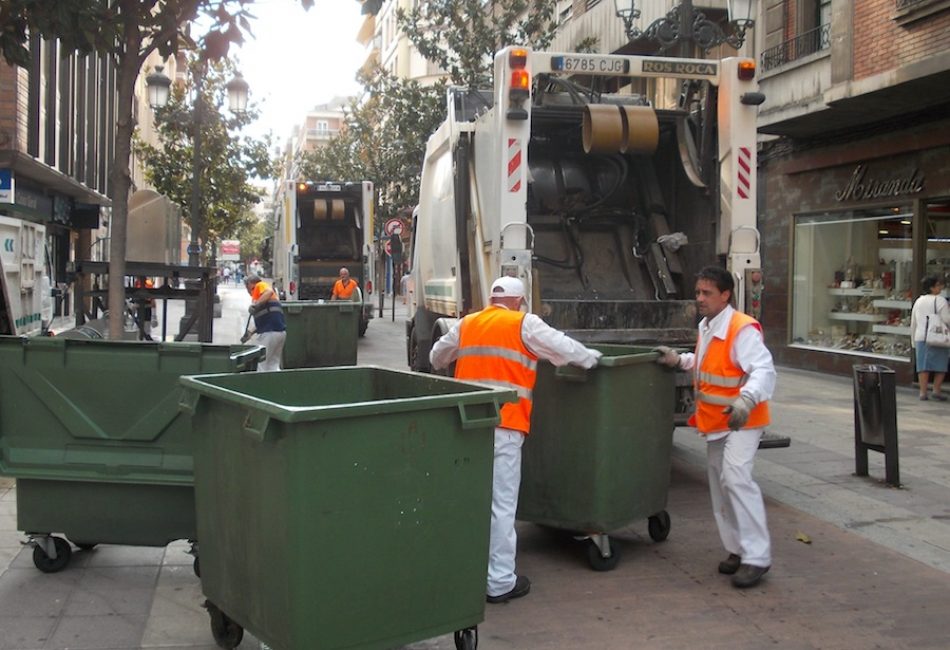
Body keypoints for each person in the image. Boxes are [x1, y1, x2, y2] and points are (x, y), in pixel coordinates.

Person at [430, 276, 602, 604]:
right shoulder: (525, 323)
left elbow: (437, 355)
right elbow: (564, 348)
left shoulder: (468, 322)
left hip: (465, 426)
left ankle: (459, 571)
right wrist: (592, 359)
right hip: (504, 426)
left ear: (493, 299)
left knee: (468, 499)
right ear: (520, 301)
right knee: (501, 505)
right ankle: (499, 582)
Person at [655, 265, 776, 589]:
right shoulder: (708, 326)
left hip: (743, 418)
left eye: (707, 293)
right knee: (720, 485)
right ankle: (737, 549)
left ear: (726, 295)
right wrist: (680, 360)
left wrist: (747, 401)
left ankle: (757, 557)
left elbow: (763, 370)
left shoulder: (742, 328)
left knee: (736, 478)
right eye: (698, 292)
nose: (699, 298)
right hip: (717, 420)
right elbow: (708, 362)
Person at [909, 275, 950, 401]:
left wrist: (913, 340)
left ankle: (923, 392)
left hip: (921, 336)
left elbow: (913, 322)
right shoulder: (941, 300)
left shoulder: (919, 301)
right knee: (941, 365)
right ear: (932, 288)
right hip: (938, 337)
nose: (941, 287)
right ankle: (936, 390)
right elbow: (947, 319)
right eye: (938, 285)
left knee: (923, 366)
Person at [242, 275, 286, 372]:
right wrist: (250, 333)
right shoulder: (265, 299)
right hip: (279, 332)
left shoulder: (260, 285)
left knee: (260, 364)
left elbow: (269, 292)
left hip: (268, 333)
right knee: (272, 365)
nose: (249, 292)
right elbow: (266, 316)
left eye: (249, 288)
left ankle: (260, 386)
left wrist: (255, 304)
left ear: (251, 285)